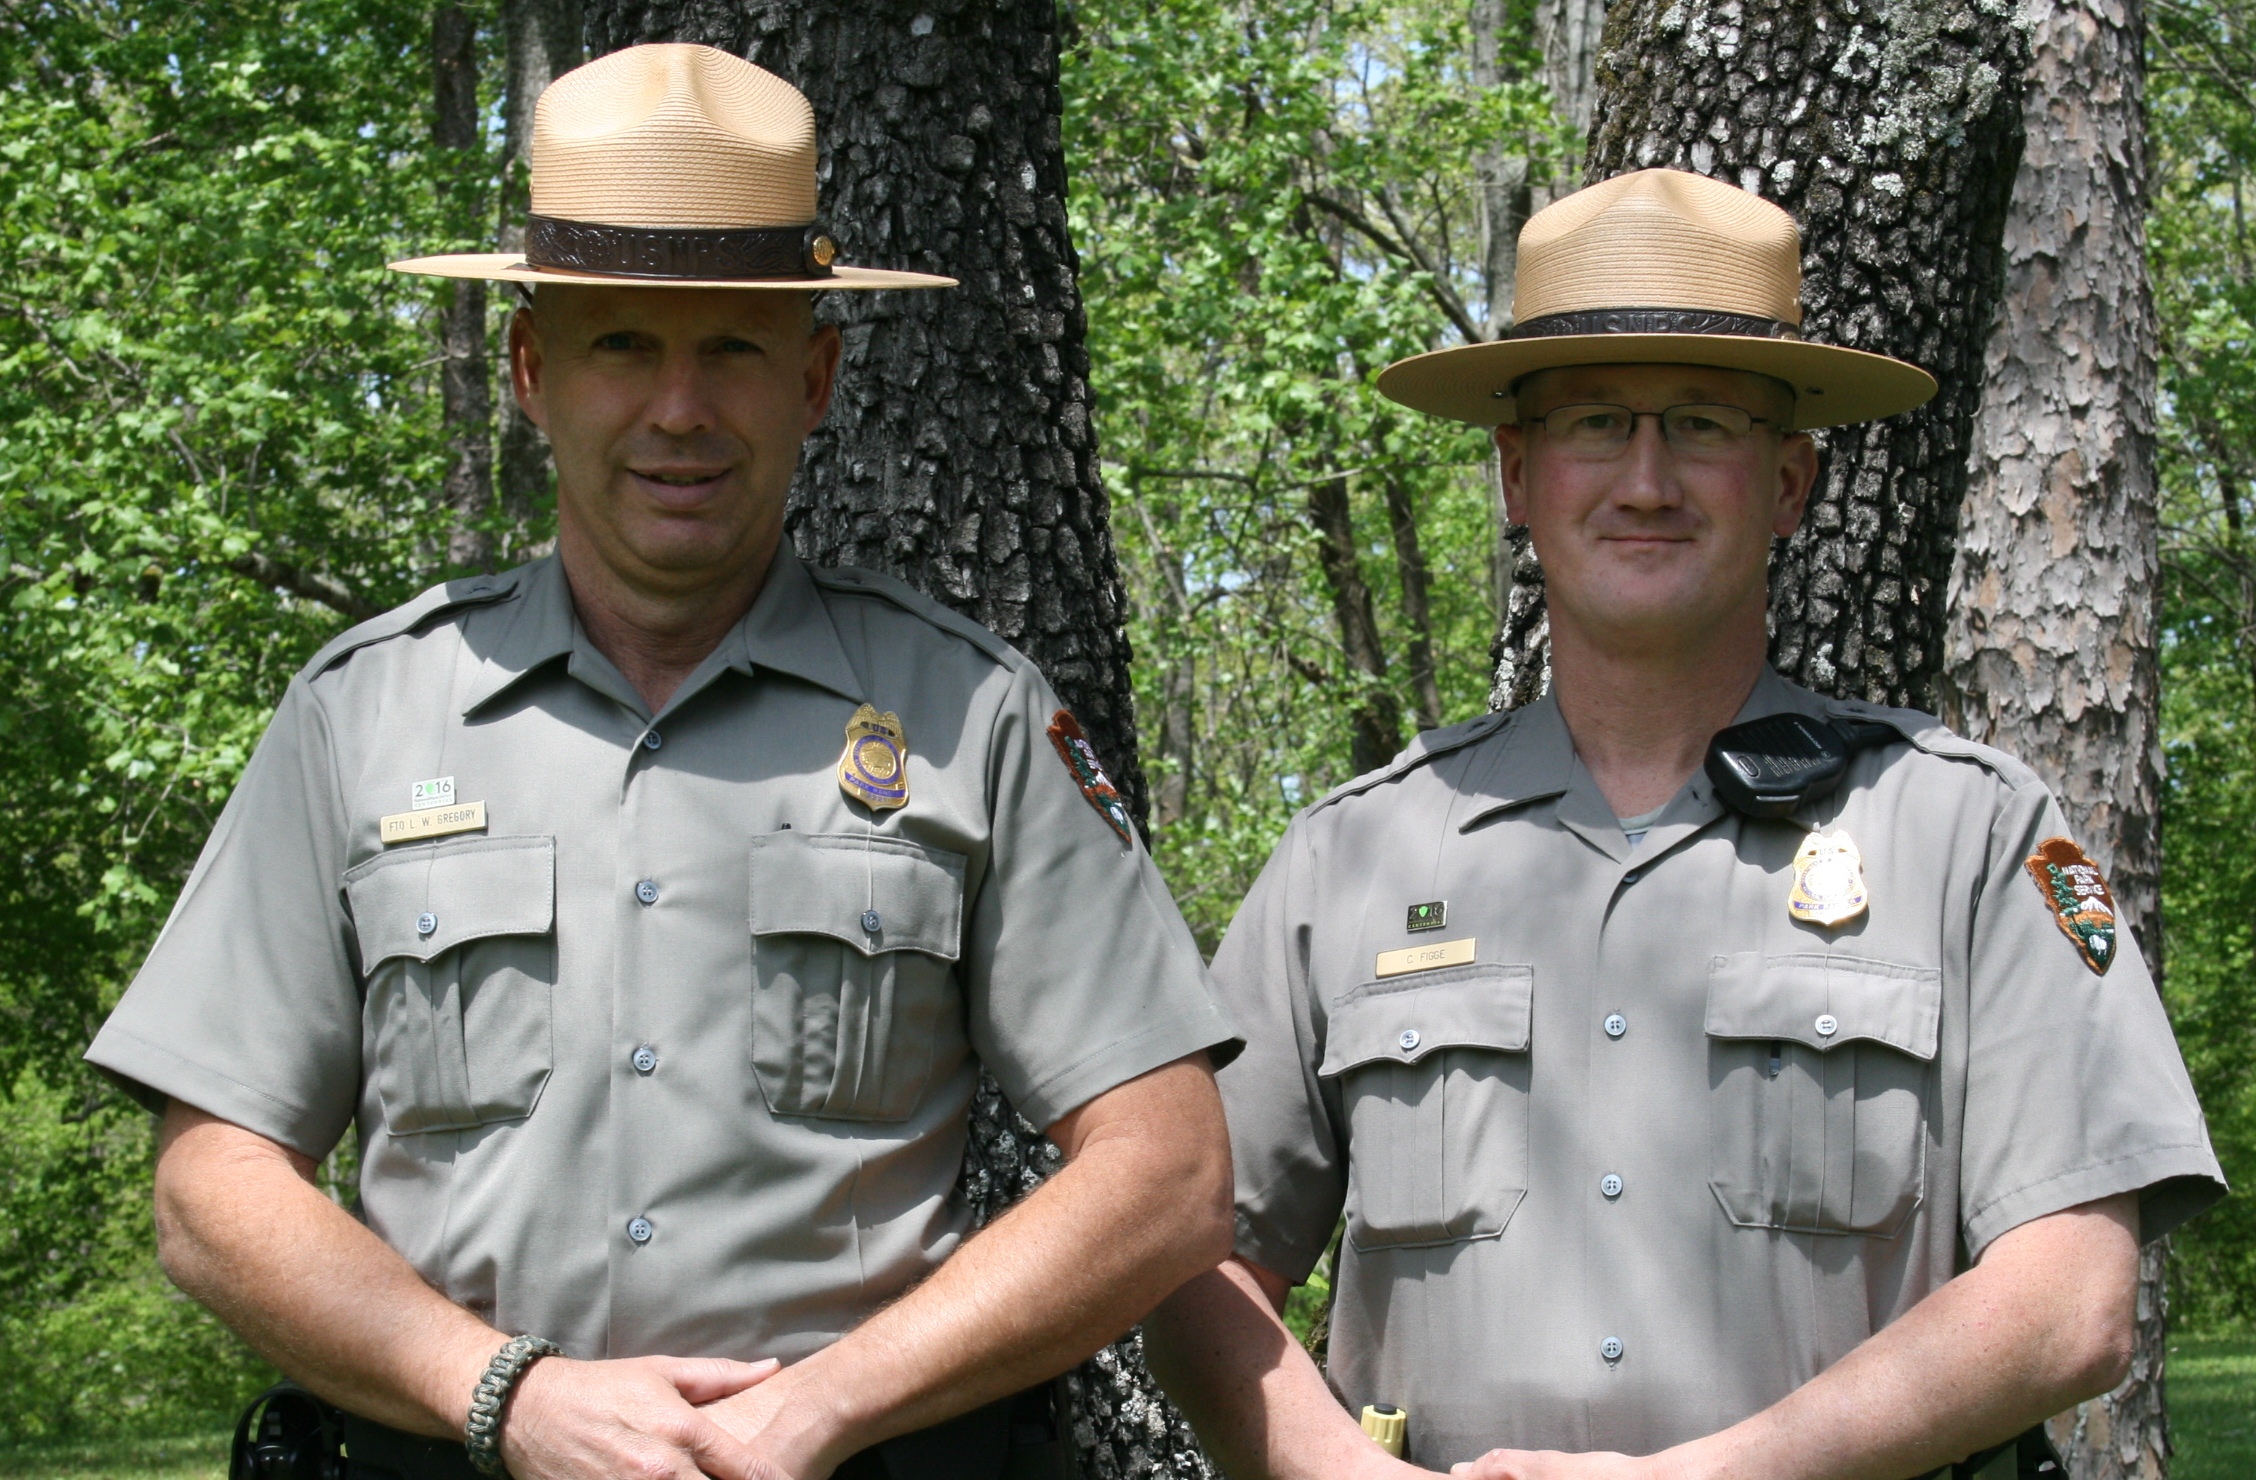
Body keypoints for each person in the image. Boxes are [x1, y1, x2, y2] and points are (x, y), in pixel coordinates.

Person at [86, 43, 1239, 1480]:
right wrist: (503, 1391)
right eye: (625, 342)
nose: (681, 409)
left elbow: (1171, 1170)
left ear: (814, 377)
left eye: (735, 348)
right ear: (531, 371)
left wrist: (824, 1407)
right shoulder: (365, 715)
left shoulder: (971, 720)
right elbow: (210, 1187)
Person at [1141, 169, 2225, 1480]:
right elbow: (1186, 1253)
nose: (1646, 478)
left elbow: (2071, 1297)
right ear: (1518, 475)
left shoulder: (1967, 836)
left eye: (1701, 426)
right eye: (1597, 424)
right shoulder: (1353, 857)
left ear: (1787, 481)